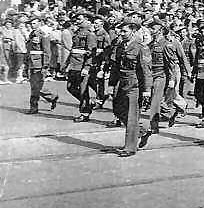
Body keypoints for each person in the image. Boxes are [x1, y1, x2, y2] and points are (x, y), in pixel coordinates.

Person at [107, 21, 153, 157]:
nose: (121, 33)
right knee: (118, 110)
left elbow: (146, 70)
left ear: (133, 31)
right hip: (121, 82)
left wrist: (147, 89)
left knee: (132, 115)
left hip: (135, 84)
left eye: (124, 31)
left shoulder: (141, 47)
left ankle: (130, 147)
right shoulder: (120, 46)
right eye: (120, 31)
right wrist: (111, 84)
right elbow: (115, 67)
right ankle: (142, 130)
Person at [138, 21, 178, 149]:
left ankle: (152, 127)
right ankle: (171, 112)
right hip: (151, 74)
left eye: (154, 28)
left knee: (155, 101)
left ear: (160, 29)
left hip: (161, 75)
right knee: (152, 100)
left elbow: (171, 63)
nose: (151, 31)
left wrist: (172, 78)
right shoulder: (150, 44)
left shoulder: (166, 44)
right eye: (150, 29)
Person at [65, 14, 97, 122]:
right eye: (76, 19)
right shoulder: (76, 33)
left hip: (82, 66)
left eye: (79, 19)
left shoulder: (90, 35)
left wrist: (87, 67)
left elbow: (91, 53)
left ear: (86, 20)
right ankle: (88, 103)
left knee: (83, 90)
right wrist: (66, 65)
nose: (77, 21)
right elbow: (73, 50)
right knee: (70, 87)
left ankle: (85, 113)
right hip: (74, 65)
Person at [25, 17, 59, 114]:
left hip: (39, 64)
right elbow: (29, 51)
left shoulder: (43, 35)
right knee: (35, 85)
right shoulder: (31, 35)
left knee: (36, 86)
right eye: (31, 24)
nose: (32, 25)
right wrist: (26, 64)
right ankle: (52, 97)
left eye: (34, 23)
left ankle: (34, 107)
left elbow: (47, 51)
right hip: (31, 63)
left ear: (39, 23)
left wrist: (45, 66)